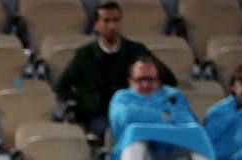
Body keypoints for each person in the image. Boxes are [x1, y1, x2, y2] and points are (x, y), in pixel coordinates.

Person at [55, 2, 177, 138]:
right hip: (99, 115)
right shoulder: (84, 55)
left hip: (134, 110)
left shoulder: (136, 50)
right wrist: (81, 104)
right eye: (106, 21)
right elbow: (62, 87)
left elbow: (168, 78)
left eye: (116, 20)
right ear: (96, 24)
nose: (112, 26)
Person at [108, 59, 222, 160]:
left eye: (150, 79)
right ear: (130, 81)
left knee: (197, 132)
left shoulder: (173, 95)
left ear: (159, 81)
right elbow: (124, 117)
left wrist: (145, 121)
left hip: (176, 158)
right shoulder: (122, 97)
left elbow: (187, 120)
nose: (145, 84)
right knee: (134, 132)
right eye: (140, 80)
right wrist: (164, 116)